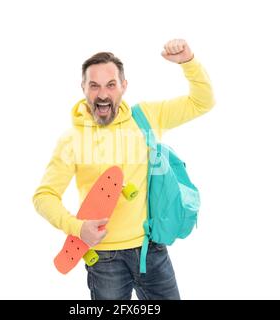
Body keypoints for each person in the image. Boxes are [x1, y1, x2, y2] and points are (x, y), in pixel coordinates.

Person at [33, 39, 215, 300]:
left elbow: (203, 102)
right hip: (104, 260)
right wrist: (76, 227)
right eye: (94, 85)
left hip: (150, 249)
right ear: (83, 87)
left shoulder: (146, 118)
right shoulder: (71, 140)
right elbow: (43, 196)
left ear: (123, 86)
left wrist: (189, 62)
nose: (103, 94)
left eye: (111, 84)